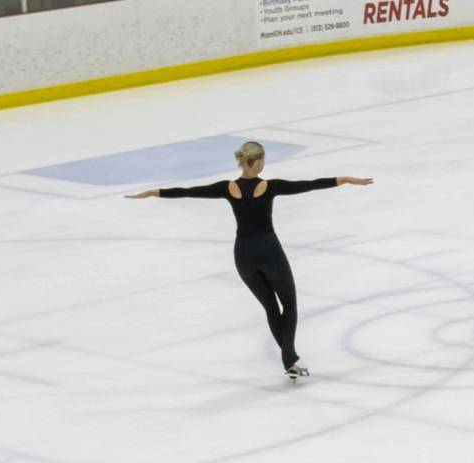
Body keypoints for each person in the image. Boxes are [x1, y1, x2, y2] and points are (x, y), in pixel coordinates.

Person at [126, 142, 373, 380]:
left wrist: (153, 193)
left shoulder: (227, 187)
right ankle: (289, 356)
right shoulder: (270, 186)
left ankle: (291, 360)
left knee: (270, 307)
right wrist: (345, 179)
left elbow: (189, 192)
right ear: (258, 162)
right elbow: (309, 185)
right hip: (269, 250)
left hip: (243, 254)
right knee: (289, 303)